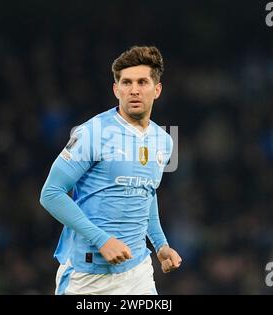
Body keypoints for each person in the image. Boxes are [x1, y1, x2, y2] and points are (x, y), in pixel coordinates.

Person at [40, 45, 182, 295]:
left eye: (142, 82)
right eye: (126, 83)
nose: (134, 90)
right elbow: (51, 193)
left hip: (138, 273)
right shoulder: (92, 132)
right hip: (87, 277)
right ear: (116, 89)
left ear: (157, 90)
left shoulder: (165, 140)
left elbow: (146, 192)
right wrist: (101, 239)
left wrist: (161, 245)